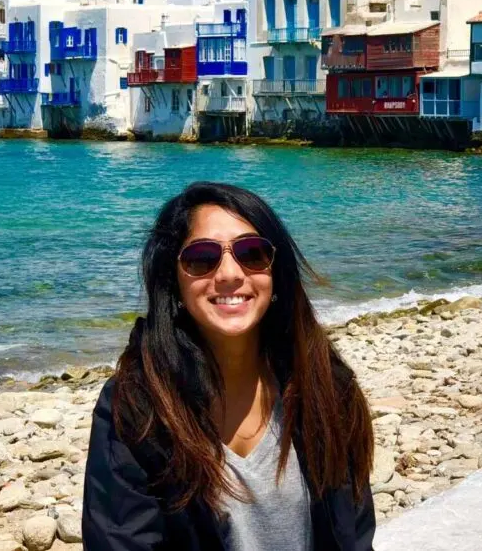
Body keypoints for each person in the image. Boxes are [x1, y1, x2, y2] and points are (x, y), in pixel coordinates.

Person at [83, 182, 375, 551]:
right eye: (202, 258)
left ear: (276, 271)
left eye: (251, 253)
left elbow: (354, 533)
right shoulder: (138, 408)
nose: (229, 274)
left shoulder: (326, 387)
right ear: (173, 281)